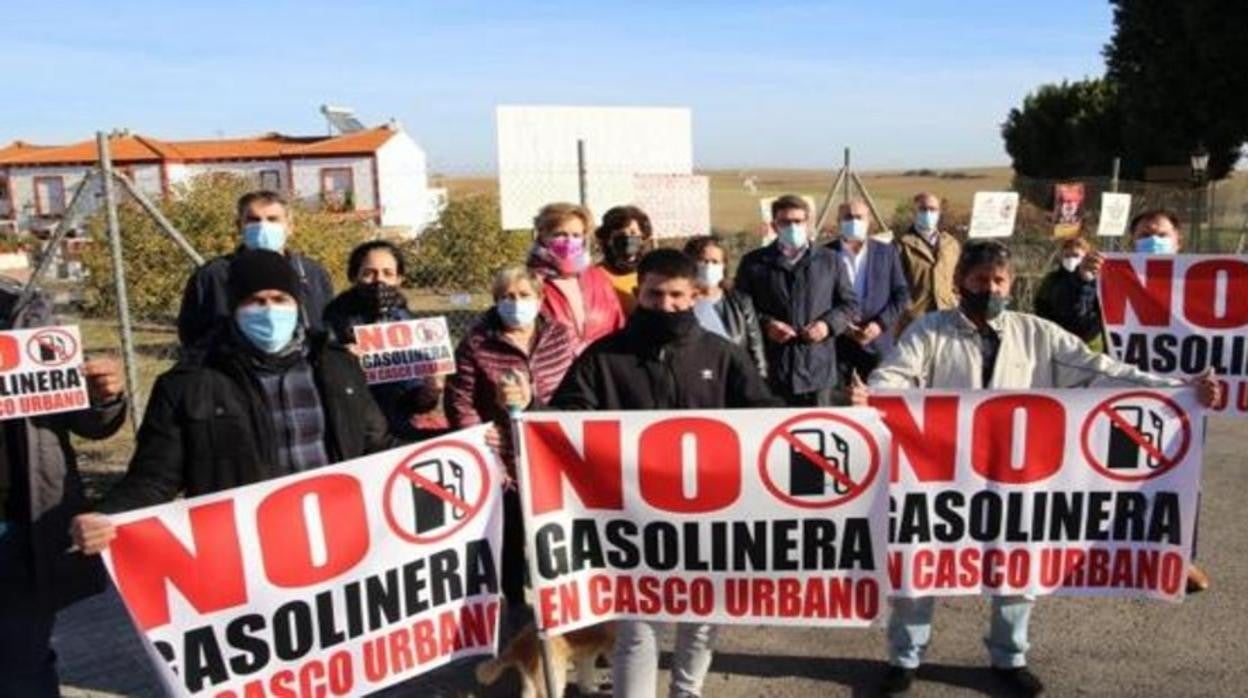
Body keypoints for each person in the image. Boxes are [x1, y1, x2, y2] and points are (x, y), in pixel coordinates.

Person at [868, 239, 1221, 697]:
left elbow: (1102, 370)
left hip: (1020, 476)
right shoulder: (928, 331)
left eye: (998, 280)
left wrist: (1178, 388)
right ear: (959, 284)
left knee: (1017, 566)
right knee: (922, 563)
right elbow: (893, 376)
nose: (989, 288)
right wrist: (872, 396)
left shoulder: (1037, 334)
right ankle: (905, 658)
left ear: (1011, 284)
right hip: (943, 475)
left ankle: (1010, 656)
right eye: (979, 280)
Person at [500, 249, 789, 698]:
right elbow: (568, 421)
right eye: (655, 295)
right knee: (636, 627)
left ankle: (686, 691)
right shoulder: (603, 357)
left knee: (701, 619)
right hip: (632, 520)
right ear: (639, 294)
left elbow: (766, 416)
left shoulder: (724, 355)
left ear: (695, 295)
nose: (666, 305)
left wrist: (843, 419)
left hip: (708, 515)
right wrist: (530, 411)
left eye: (677, 295)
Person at [71, 250, 395, 550]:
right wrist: (108, 516)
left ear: (297, 304)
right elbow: (155, 478)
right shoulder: (188, 383)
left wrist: (444, 449)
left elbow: (377, 446)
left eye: (280, 299)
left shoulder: (338, 367)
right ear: (234, 307)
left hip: (339, 538)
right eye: (255, 301)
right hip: (248, 554)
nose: (269, 310)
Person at [0, 279, 127, 697]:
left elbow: (87, 421)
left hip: (19, 528)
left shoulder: (23, 308)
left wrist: (103, 397)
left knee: (23, 666)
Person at [1078, 208, 1210, 592]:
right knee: (1118, 475)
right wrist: (1087, 280)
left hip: (1184, 395)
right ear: (1131, 240)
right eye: (1145, 233)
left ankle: (1180, 558)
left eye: (1162, 233)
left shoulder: (1194, 281)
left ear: (1178, 240)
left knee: (1182, 477)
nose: (1154, 239)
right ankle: (1115, 551)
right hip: (1126, 390)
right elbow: (1078, 322)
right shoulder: (1109, 278)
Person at [444, 265, 577, 623]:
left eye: (523, 296)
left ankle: (564, 617)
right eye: (506, 297)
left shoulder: (561, 337)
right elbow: (460, 399)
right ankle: (517, 617)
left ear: (540, 298)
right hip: (503, 459)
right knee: (511, 541)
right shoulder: (476, 343)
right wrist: (480, 434)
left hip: (553, 453)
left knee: (555, 541)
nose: (515, 303)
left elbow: (575, 392)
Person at [734, 194, 859, 405]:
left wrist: (827, 326)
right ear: (774, 225)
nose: (792, 227)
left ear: (808, 223)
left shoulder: (830, 261)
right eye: (785, 222)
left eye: (798, 221)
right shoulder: (754, 263)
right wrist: (767, 324)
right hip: (774, 369)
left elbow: (849, 304)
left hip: (818, 370)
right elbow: (740, 308)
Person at [177, 190, 334, 355]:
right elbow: (192, 334)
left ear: (290, 227)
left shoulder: (312, 273)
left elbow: (327, 326)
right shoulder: (214, 275)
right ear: (239, 226)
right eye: (253, 220)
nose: (263, 226)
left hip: (302, 373)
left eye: (273, 219)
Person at [322, 241, 443, 439]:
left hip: (397, 426)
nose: (379, 281)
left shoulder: (404, 321)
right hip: (352, 428)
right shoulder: (334, 319)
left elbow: (413, 400)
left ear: (399, 279)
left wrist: (429, 394)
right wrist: (342, 363)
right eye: (369, 273)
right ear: (354, 276)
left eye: (388, 273)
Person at [825, 200, 910, 380]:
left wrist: (879, 324)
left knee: (880, 401)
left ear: (869, 220)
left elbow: (901, 294)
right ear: (838, 221)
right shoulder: (824, 254)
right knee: (839, 403)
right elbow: (818, 297)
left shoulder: (887, 252)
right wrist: (841, 325)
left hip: (878, 343)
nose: (854, 221)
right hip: (837, 343)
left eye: (859, 217)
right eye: (848, 217)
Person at [527, 202, 625, 353]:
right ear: (542, 234)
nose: (568, 241)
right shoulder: (528, 281)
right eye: (560, 234)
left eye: (576, 235)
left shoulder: (597, 277)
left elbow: (617, 324)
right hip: (553, 370)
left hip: (598, 366)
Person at [683, 235, 768, 377]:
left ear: (724, 266)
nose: (709, 267)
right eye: (703, 261)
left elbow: (756, 351)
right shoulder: (680, 303)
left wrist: (759, 385)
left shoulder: (740, 302)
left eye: (715, 262)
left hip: (733, 381)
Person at [896, 192, 961, 331]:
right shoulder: (901, 245)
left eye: (933, 209)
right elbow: (893, 284)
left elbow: (958, 278)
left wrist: (955, 300)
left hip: (947, 316)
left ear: (939, 212)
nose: (928, 213)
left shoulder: (950, 244)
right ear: (915, 212)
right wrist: (908, 309)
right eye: (923, 209)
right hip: (915, 321)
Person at [1032, 236, 1104, 352]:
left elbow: (1101, 311)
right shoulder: (1052, 279)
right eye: (1067, 255)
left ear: (1085, 256)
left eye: (1076, 255)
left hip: (1089, 343)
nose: (1071, 259)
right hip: (1057, 341)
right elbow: (1041, 306)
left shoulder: (1097, 281)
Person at [595, 205, 654, 316]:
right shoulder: (596, 276)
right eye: (620, 234)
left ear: (643, 237)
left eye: (633, 233)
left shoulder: (653, 273)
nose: (628, 239)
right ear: (608, 239)